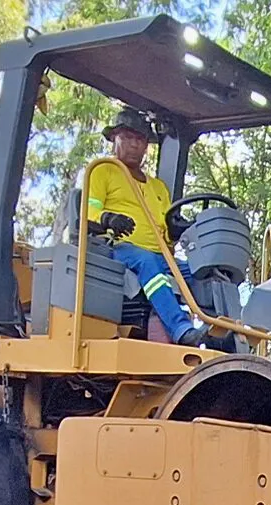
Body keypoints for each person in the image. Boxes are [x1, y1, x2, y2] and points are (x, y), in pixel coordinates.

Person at [85, 107, 206, 346]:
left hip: (161, 254)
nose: (134, 145)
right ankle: (181, 330)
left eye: (139, 139)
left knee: (202, 272)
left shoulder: (158, 187)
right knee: (147, 262)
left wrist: (178, 229)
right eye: (127, 138)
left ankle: (221, 334)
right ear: (114, 139)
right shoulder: (102, 171)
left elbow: (166, 227)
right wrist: (108, 219)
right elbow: (88, 211)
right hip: (119, 249)